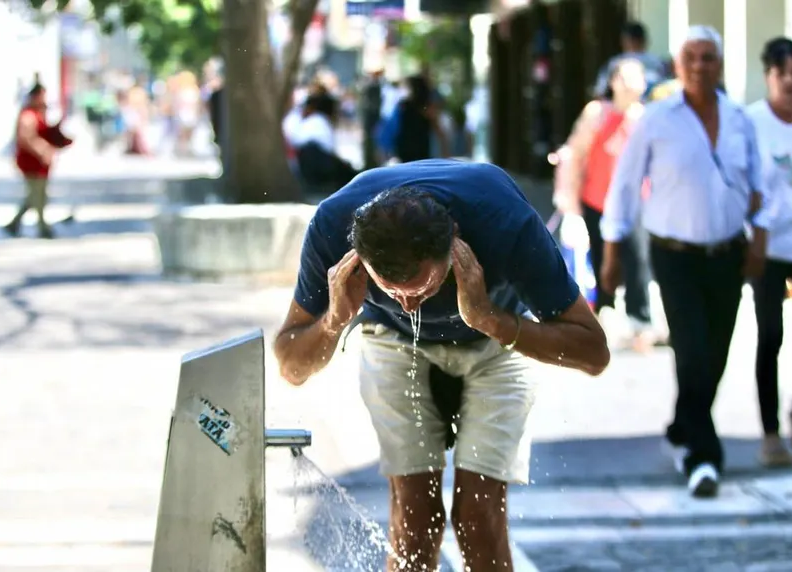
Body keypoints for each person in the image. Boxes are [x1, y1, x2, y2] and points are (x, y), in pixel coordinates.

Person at [274, 159, 610, 571]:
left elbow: (594, 353)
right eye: (391, 292)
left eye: (423, 289)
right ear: (359, 258)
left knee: (478, 519)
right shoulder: (332, 225)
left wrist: (489, 318)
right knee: (415, 519)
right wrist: (334, 319)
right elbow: (291, 367)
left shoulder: (504, 221)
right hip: (393, 341)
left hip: (496, 340)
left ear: (455, 240)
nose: (409, 305)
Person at [601, 26, 768, 498]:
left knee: (715, 356)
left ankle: (681, 423)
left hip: (727, 254)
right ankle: (702, 456)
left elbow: (760, 186)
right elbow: (624, 186)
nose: (699, 66)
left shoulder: (738, 119)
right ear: (677, 65)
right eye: (690, 57)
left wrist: (759, 239)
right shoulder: (657, 119)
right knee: (692, 352)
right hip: (674, 257)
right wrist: (612, 253)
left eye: (708, 57)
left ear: (720, 64)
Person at [557, 58, 657, 349]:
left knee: (638, 259)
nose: (628, 84)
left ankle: (641, 320)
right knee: (601, 258)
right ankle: (604, 313)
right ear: (612, 82)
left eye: (635, 77)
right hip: (596, 199)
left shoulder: (646, 117)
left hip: (635, 201)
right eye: (622, 78)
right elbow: (575, 153)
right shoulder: (597, 113)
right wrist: (568, 196)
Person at [745, 37, 792, 466]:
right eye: (781, 73)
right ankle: (770, 434)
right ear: (768, 76)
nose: (788, 81)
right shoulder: (752, 123)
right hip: (766, 246)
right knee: (771, 336)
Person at [4, 82, 71, 239]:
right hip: (31, 161)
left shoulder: (39, 113)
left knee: (36, 194)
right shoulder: (28, 115)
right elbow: (26, 138)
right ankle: (43, 227)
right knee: (37, 194)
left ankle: (14, 224)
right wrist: (43, 150)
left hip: (39, 162)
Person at [291, 92, 359, 191]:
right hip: (315, 160)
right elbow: (329, 149)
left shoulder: (310, 120)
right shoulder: (319, 120)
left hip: (307, 161)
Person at [378, 74, 449, 163]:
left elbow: (389, 129)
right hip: (422, 153)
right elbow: (440, 134)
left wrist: (384, 151)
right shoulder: (426, 109)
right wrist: (446, 154)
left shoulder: (402, 106)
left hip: (404, 152)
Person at [593, 21, 667, 100]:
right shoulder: (659, 63)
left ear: (625, 40)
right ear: (645, 40)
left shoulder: (615, 63)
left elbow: (599, 92)